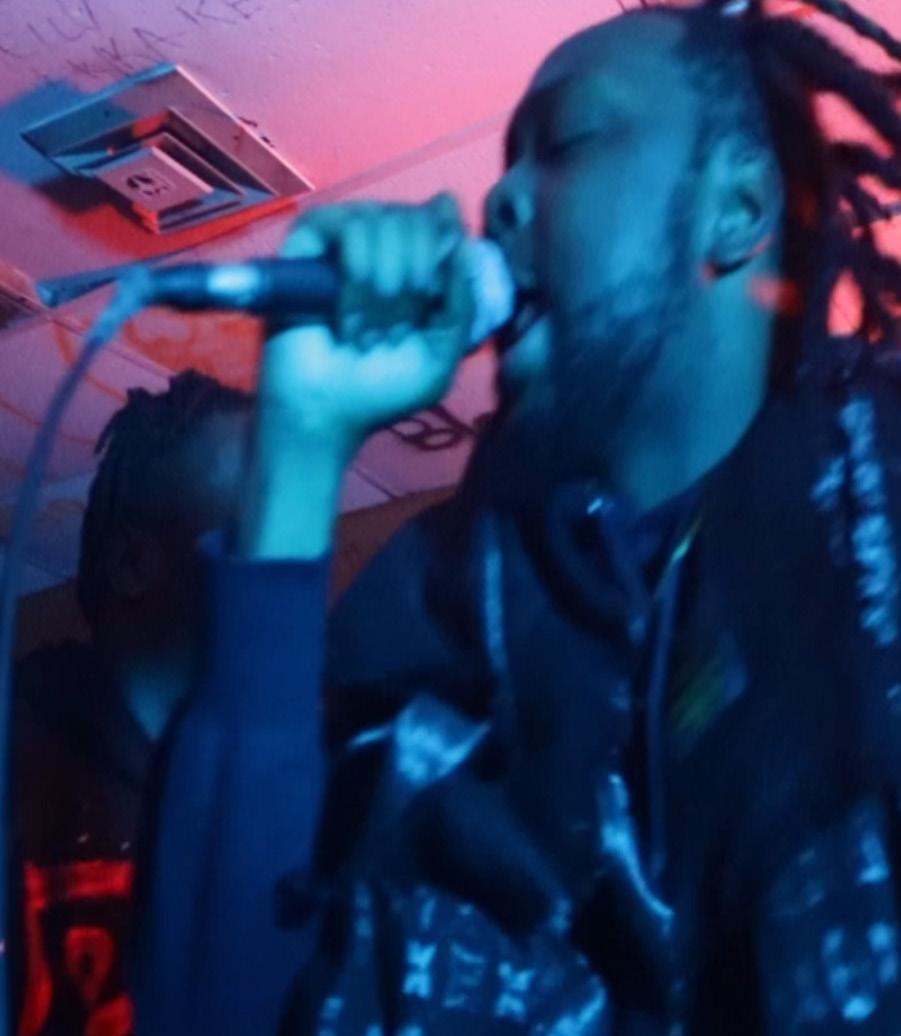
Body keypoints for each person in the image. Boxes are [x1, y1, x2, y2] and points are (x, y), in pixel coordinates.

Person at [137, 0, 901, 1032]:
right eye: (507, 160)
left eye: (568, 139)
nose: (496, 197)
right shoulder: (431, 612)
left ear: (736, 207)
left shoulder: (876, 491)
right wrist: (300, 445)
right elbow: (215, 1008)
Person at [12, 371, 253, 1036]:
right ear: (130, 563)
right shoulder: (19, 769)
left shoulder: (300, 796)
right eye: (255, 524)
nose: (292, 562)